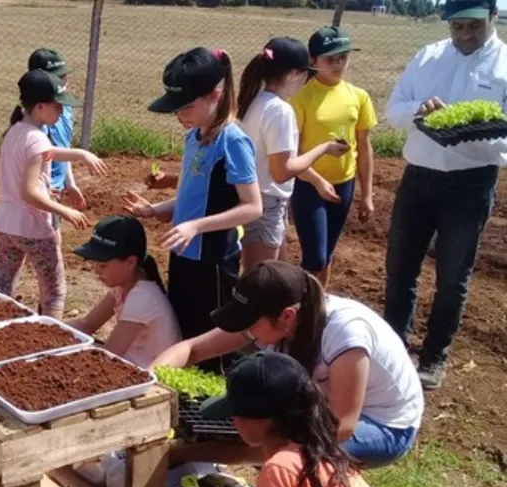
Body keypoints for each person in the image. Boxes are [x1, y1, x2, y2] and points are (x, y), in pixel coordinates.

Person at [152, 261, 424, 468]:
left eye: (251, 323)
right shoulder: (277, 316)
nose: (245, 331)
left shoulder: (346, 335)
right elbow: (190, 349)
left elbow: (342, 426)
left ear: (287, 316)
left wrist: (180, 455)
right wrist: (147, 384)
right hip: (323, 406)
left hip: (384, 425)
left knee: (286, 449)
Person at [383, 0, 507, 390]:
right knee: (401, 266)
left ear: (493, 17)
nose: (464, 35)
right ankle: (394, 345)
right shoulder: (429, 56)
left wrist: (479, 129)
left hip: (471, 185)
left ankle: (434, 355)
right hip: (418, 177)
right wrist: (419, 109)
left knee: (453, 277)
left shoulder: (504, 65)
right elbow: (394, 110)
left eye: (473, 26)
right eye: (457, 27)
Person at [124, 47, 261, 373]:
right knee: (184, 330)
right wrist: (158, 210)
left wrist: (196, 227)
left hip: (212, 260)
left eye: (186, 106)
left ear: (215, 94)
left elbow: (252, 207)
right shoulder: (194, 137)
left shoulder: (233, 140)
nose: (178, 115)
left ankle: (209, 407)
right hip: (184, 252)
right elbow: (193, 197)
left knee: (209, 345)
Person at [0, 68, 104, 319]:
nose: (62, 112)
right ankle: (53, 341)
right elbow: (29, 193)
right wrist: (64, 209)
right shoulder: (37, 139)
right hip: (34, 227)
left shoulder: (13, 132)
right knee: (54, 291)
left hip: (6, 223)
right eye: (58, 106)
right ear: (40, 107)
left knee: (5, 282)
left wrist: (81, 154)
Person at [237, 37, 350, 271]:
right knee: (260, 281)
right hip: (267, 201)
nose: (306, 81)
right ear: (292, 75)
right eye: (306, 75)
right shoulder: (280, 110)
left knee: (281, 276)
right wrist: (324, 148)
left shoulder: (256, 100)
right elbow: (282, 171)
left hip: (259, 197)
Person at [200, 351, 378, 487]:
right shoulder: (327, 455)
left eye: (236, 413)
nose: (233, 421)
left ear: (259, 419)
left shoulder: (279, 469)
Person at [0, 48, 86, 287]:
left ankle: (1, 284)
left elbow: (61, 147)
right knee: (52, 280)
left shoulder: (58, 111)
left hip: (45, 196)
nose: (64, 81)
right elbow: (28, 173)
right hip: (38, 203)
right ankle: (48, 317)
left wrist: (70, 182)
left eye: (64, 76)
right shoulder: (35, 127)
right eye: (58, 77)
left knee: (22, 269)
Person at [288, 26, 377, 288]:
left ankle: (317, 306)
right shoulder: (302, 97)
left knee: (326, 256)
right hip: (308, 185)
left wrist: (367, 195)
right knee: (314, 257)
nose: (339, 64)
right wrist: (316, 181)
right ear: (313, 61)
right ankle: (301, 306)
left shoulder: (358, 96)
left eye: (343, 57)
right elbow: (293, 150)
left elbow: (364, 147)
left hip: (343, 185)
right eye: (330, 59)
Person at [67, 215, 180, 368]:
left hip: (147, 375)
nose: (96, 272)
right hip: (129, 364)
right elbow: (87, 324)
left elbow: (109, 355)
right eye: (94, 264)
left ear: (130, 262)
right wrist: (49, 330)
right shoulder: (122, 287)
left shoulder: (142, 298)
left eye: (103, 266)